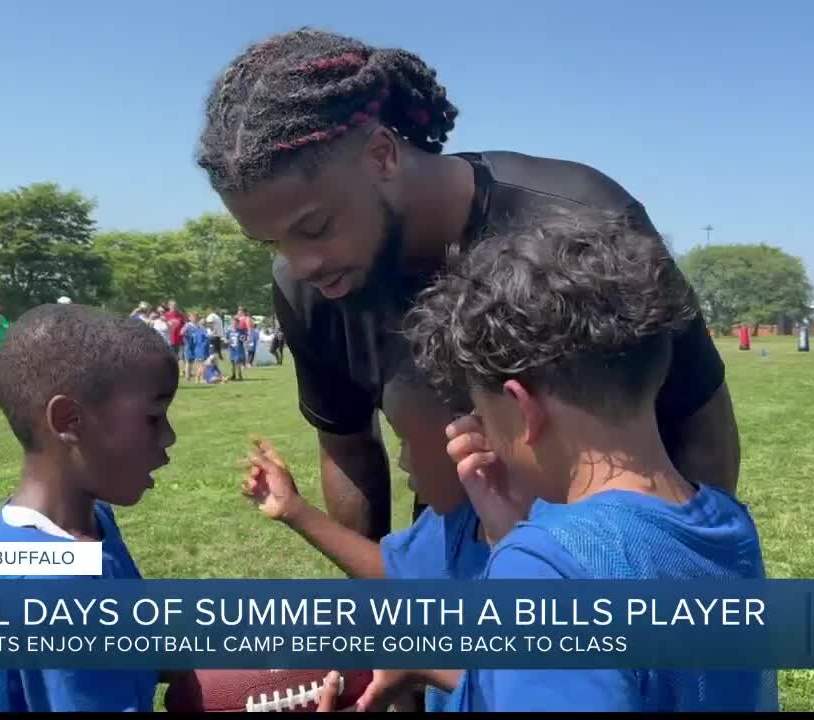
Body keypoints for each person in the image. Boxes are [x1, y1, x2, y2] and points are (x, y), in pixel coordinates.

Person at [197, 28, 741, 543]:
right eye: (269, 243)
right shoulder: (305, 288)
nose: (302, 264)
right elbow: (349, 448)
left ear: (382, 154)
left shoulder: (579, 217)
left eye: (314, 227)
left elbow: (699, 420)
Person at [357, 207, 775, 712]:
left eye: (484, 413)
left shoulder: (545, 573)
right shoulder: (729, 526)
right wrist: (510, 539)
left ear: (521, 407)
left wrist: (522, 558)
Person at [0, 303, 179, 712]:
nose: (169, 436)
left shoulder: (88, 521)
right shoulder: (56, 588)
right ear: (69, 420)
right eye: (154, 418)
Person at [244, 361, 490, 712]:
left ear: (470, 437)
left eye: (406, 440)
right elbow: (394, 572)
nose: (401, 460)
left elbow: (539, 689)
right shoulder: (454, 523)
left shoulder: (545, 557)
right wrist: (294, 510)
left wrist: (425, 664)